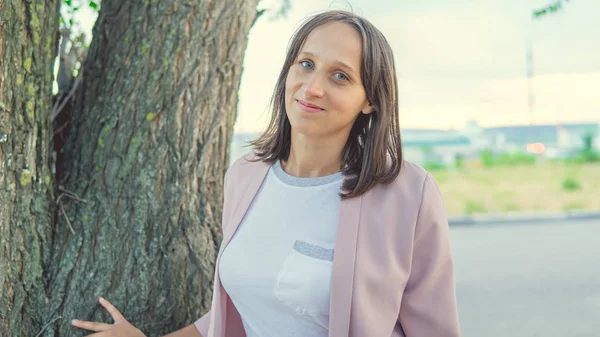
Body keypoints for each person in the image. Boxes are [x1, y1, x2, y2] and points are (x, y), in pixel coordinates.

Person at [72, 10, 460, 337]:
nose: (312, 87)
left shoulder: (408, 194)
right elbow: (238, 313)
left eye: (340, 76)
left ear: (370, 100)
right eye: (306, 64)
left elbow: (433, 328)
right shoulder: (245, 177)